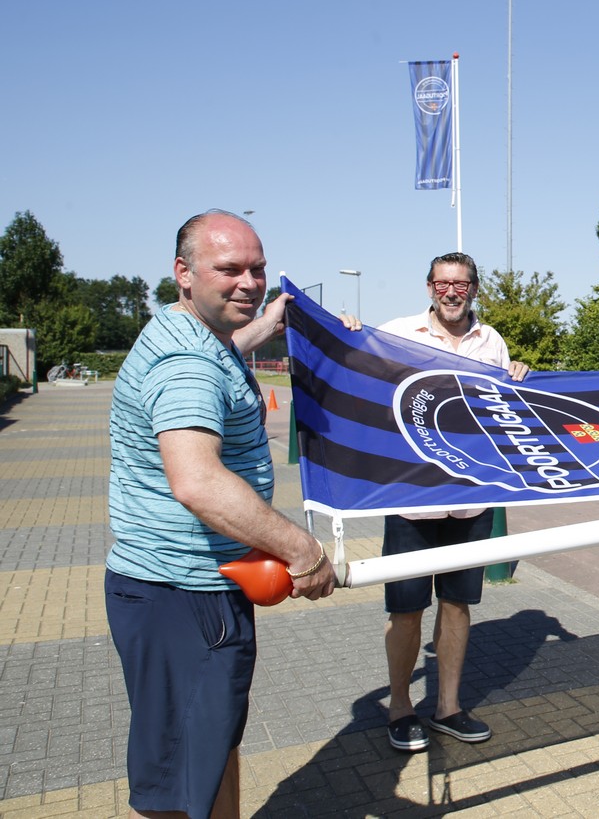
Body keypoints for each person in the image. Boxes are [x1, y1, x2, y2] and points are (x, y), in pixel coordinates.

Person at [106, 210, 336, 819]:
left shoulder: (196, 336)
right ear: (183, 273)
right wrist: (303, 551)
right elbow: (198, 482)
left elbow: (227, 347)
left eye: (258, 269)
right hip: (183, 597)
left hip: (187, 591)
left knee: (209, 750)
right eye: (229, 268)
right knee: (181, 778)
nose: (249, 281)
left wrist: (272, 321)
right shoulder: (189, 365)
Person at [346, 252, 530, 754]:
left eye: (461, 284)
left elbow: (504, 409)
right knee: (406, 610)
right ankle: (401, 708)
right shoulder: (398, 333)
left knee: (457, 604)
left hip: (470, 501)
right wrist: (343, 331)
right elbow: (356, 368)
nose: (452, 292)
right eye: (443, 283)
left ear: (474, 289)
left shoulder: (491, 341)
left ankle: (447, 707)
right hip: (413, 499)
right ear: (429, 287)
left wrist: (517, 372)